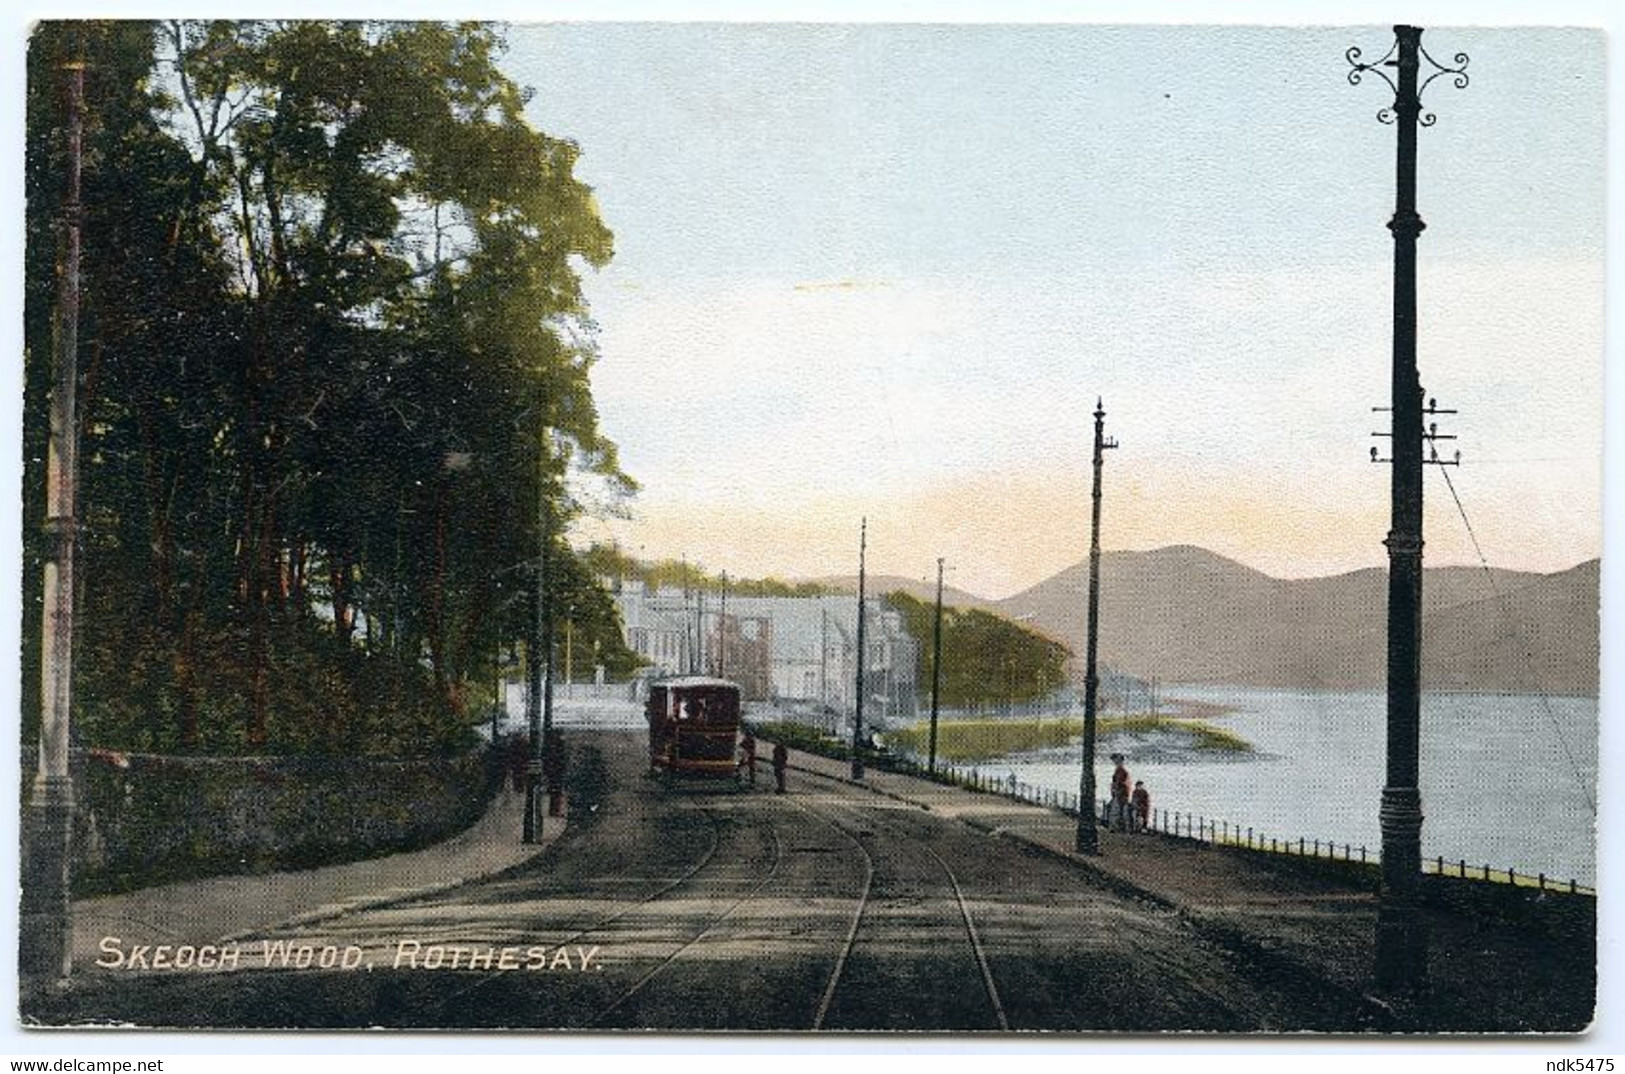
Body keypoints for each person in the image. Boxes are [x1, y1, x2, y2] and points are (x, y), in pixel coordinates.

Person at [1109, 753, 1131, 831]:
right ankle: (1118, 827)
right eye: (1115, 761)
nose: (1115, 762)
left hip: (1120, 795)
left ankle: (1119, 828)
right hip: (1118, 794)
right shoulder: (1119, 771)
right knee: (1118, 811)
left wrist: (1116, 790)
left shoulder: (1123, 771)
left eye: (1116, 760)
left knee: (1119, 812)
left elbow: (1122, 784)